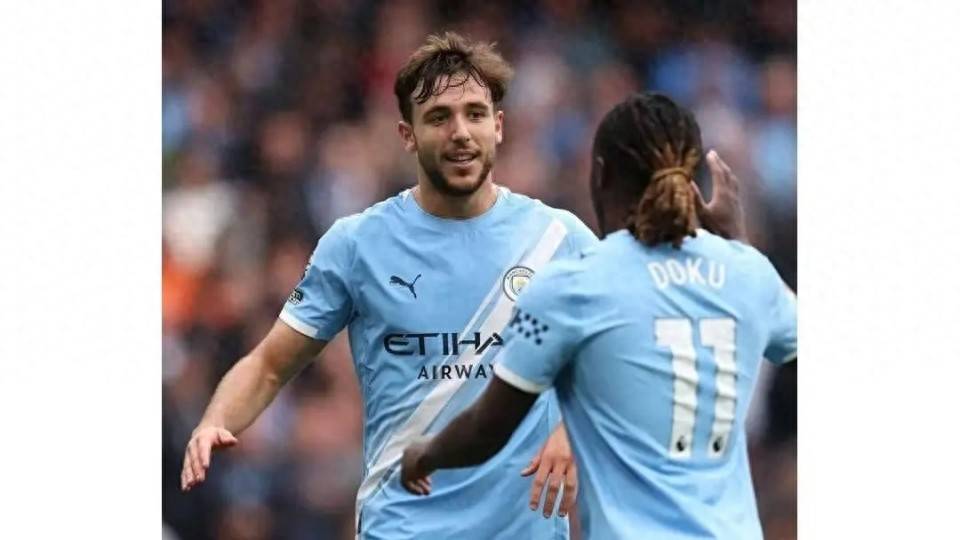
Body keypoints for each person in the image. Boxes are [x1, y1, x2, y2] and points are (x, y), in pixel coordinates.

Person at [181, 32, 600, 539]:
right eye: (439, 117)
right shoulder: (357, 244)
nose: (460, 132)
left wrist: (574, 430)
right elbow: (269, 365)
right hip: (401, 526)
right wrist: (215, 420)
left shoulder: (559, 239)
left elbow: (630, 349)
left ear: (499, 125)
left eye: (474, 114)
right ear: (408, 135)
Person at [400, 92, 797, 539]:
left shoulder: (573, 287)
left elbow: (486, 431)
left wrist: (423, 454)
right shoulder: (748, 274)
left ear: (601, 174)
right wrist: (737, 245)